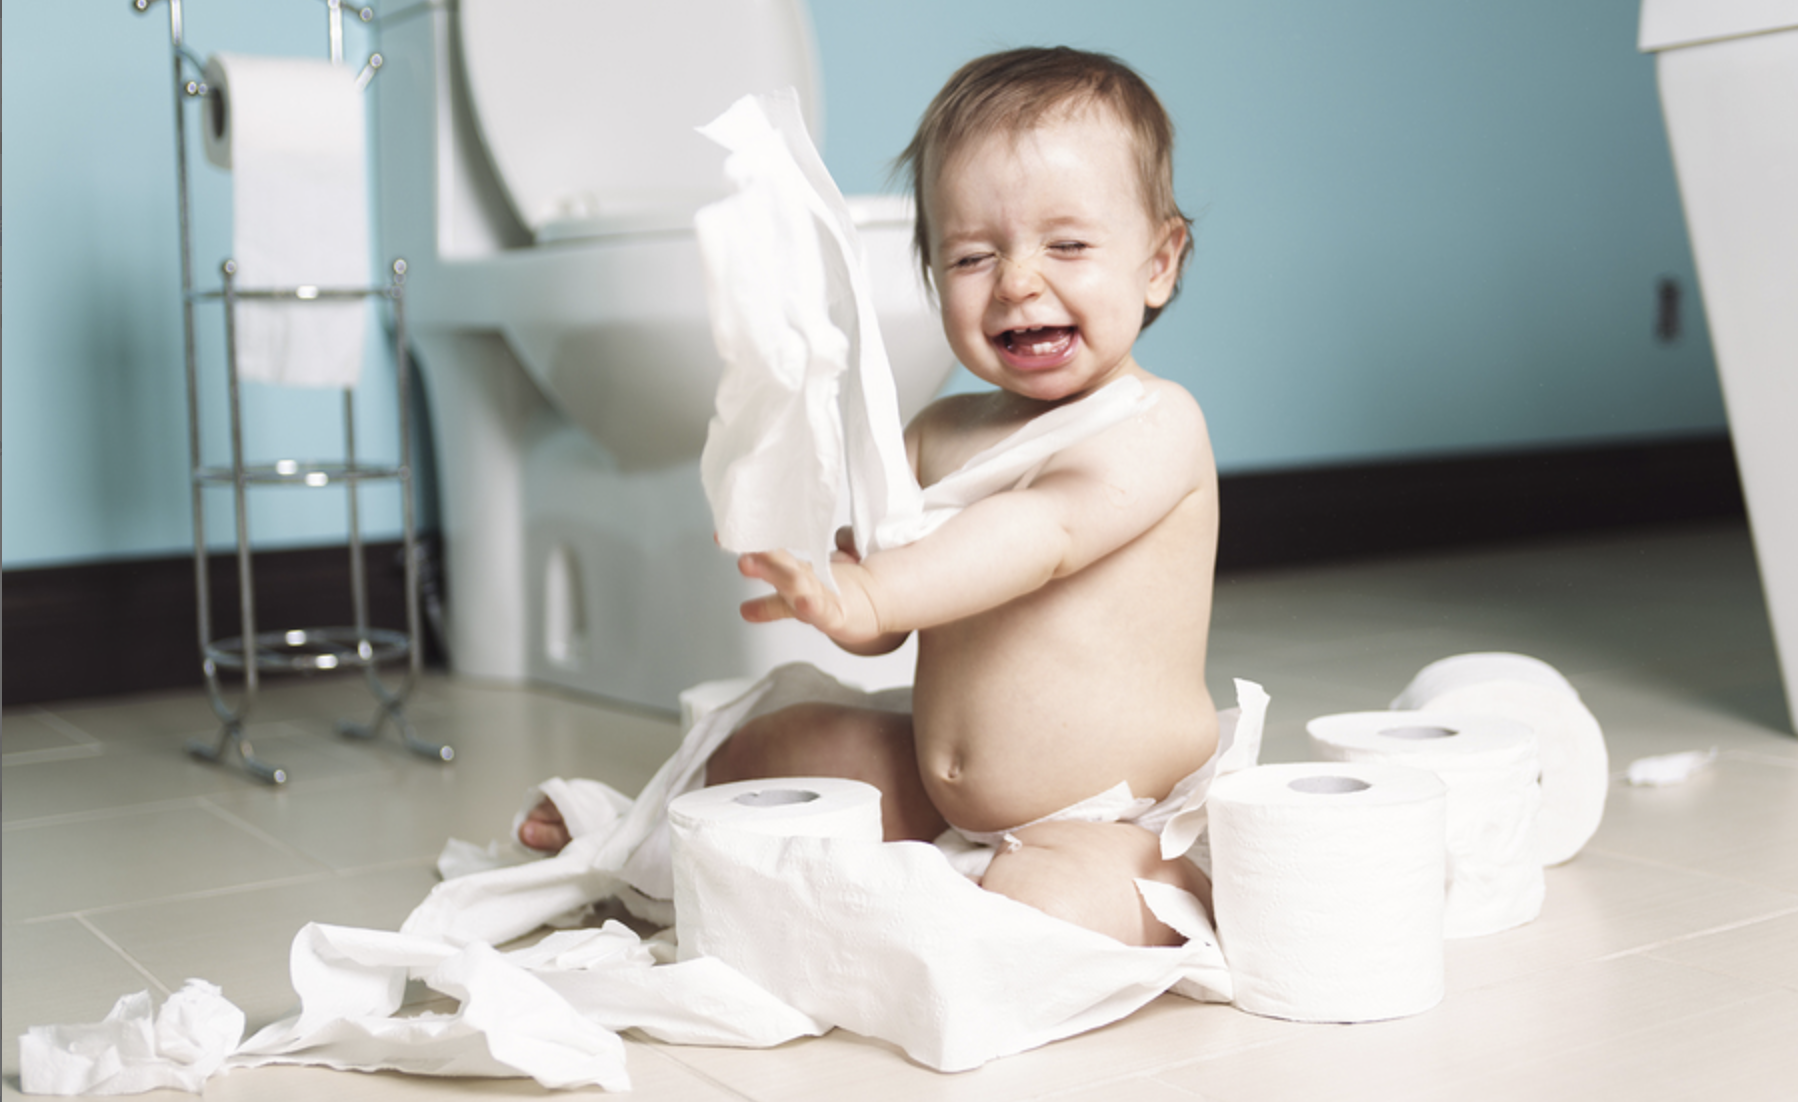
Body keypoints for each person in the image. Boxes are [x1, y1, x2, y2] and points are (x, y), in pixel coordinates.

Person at [523, 46, 1219, 948]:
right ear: (931, 274)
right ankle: (635, 844)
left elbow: (1044, 530)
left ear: (1159, 263)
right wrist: (831, 566)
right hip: (942, 785)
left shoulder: (1156, 423)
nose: (1017, 281)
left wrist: (877, 591)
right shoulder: (942, 430)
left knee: (1041, 910)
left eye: (1068, 245)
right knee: (767, 753)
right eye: (973, 256)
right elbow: (889, 619)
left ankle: (1138, 886)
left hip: (1108, 814)